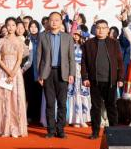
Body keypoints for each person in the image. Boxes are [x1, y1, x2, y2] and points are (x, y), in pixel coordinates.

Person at [80, 19, 124, 139]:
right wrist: (85, 77)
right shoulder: (88, 43)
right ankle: (95, 132)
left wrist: (120, 78)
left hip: (111, 81)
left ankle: (114, 132)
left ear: (108, 30)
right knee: (95, 108)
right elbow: (83, 62)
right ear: (95, 29)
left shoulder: (114, 43)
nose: (100, 30)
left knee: (111, 106)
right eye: (98, 27)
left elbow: (120, 61)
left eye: (103, 28)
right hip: (94, 81)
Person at [38, 10, 76, 138]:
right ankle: (50, 130)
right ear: (48, 22)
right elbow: (39, 57)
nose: (54, 22)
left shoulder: (67, 37)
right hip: (47, 73)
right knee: (50, 103)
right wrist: (40, 75)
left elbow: (71, 58)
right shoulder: (43, 36)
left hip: (62, 73)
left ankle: (60, 130)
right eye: (51, 20)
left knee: (62, 103)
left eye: (57, 20)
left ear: (61, 22)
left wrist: (72, 73)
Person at [0, 23, 28, 137]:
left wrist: (13, 73)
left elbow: (19, 59)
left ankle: (16, 127)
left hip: (16, 72)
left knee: (16, 97)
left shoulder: (20, 41)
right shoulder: (0, 41)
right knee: (3, 97)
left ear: (16, 27)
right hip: (3, 70)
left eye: (13, 25)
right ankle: (2, 127)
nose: (11, 27)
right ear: (5, 27)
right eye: (8, 25)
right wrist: (8, 71)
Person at [65, 30, 91, 129]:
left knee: (82, 95)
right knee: (73, 95)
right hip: (72, 71)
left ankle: (83, 119)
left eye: (78, 35)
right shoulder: (69, 45)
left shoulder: (84, 46)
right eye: (74, 34)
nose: (76, 36)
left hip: (82, 71)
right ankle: (74, 119)